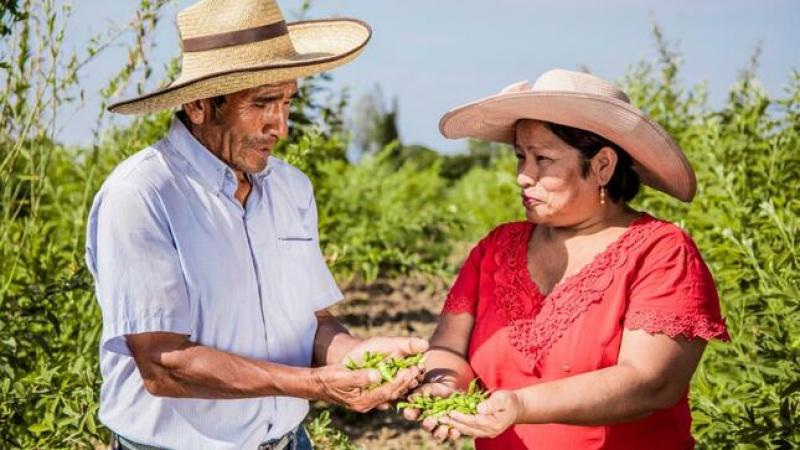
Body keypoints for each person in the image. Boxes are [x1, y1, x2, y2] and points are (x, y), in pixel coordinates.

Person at [85, 1, 426, 449]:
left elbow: (311, 321)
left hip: (288, 440)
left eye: (287, 102)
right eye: (262, 103)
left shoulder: (290, 188)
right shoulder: (143, 194)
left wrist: (353, 355)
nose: (280, 126)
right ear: (199, 104)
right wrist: (315, 385)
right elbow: (162, 364)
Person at [403, 69, 729, 449]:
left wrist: (522, 404)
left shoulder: (661, 252)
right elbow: (448, 348)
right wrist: (443, 386)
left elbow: (651, 381)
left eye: (543, 159)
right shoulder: (496, 248)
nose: (524, 176)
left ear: (603, 165)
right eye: (521, 157)